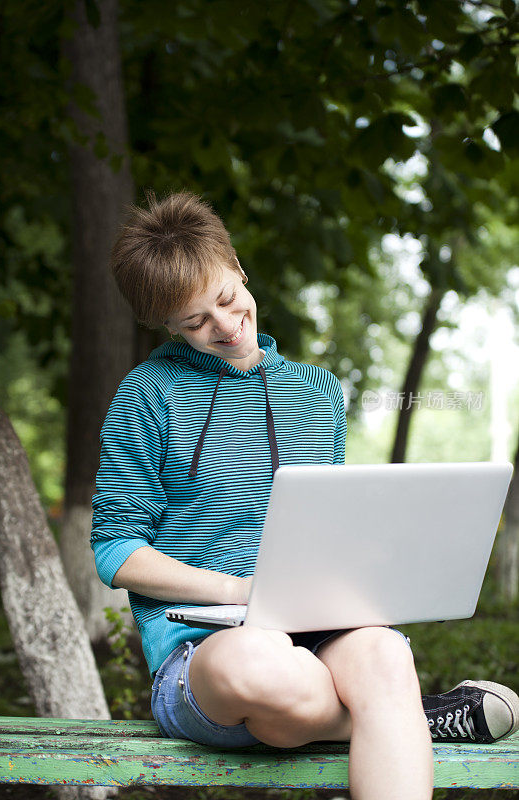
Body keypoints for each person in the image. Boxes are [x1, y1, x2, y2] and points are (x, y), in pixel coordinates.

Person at [91, 191, 518, 800]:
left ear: (238, 268)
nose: (225, 325)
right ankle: (406, 717)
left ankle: (387, 704)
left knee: (385, 659)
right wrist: (243, 593)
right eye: (195, 322)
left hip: (317, 636)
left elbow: (328, 526)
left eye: (226, 298)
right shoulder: (145, 395)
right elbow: (115, 553)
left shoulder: (317, 392)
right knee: (262, 665)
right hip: (205, 658)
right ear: (167, 327)